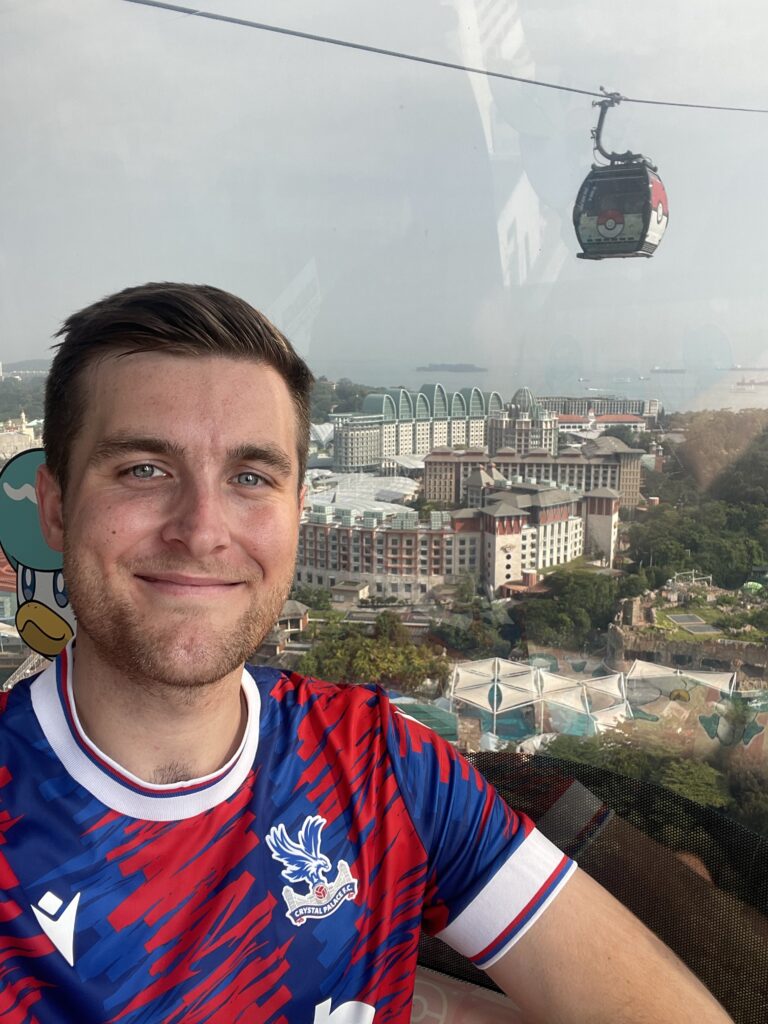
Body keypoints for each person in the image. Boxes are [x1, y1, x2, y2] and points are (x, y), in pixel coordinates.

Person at [0, 283, 731, 1023]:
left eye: (251, 478)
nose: (203, 530)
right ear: (56, 508)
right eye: (143, 470)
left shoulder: (388, 770)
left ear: (297, 511)